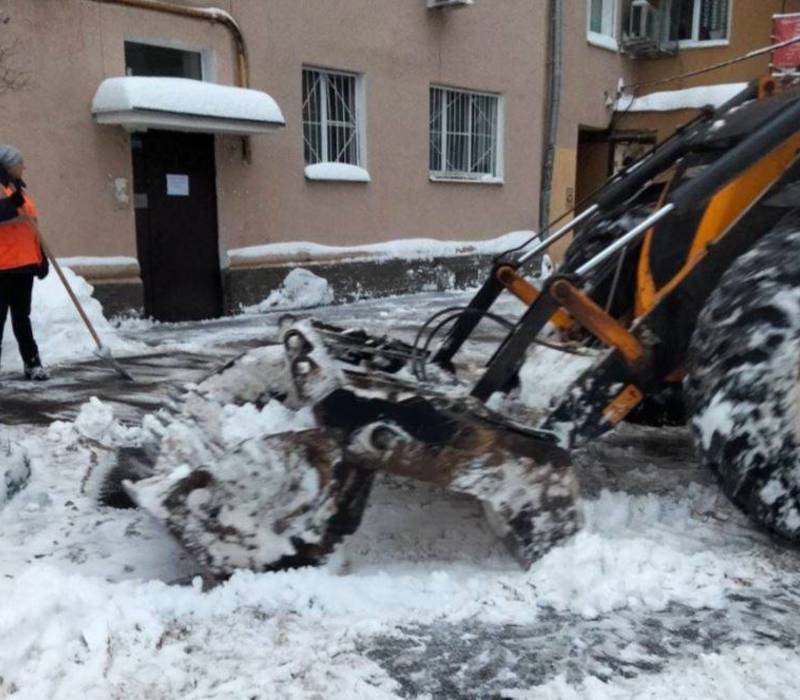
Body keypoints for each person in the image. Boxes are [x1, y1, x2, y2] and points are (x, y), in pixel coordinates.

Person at [0, 145, 49, 380]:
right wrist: (11, 205)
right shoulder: (3, 189)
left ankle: (32, 363)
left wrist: (41, 257)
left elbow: (31, 225)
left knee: (22, 317)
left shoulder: (19, 190)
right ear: (8, 165)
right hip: (2, 265)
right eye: (20, 163)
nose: (24, 167)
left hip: (23, 265)